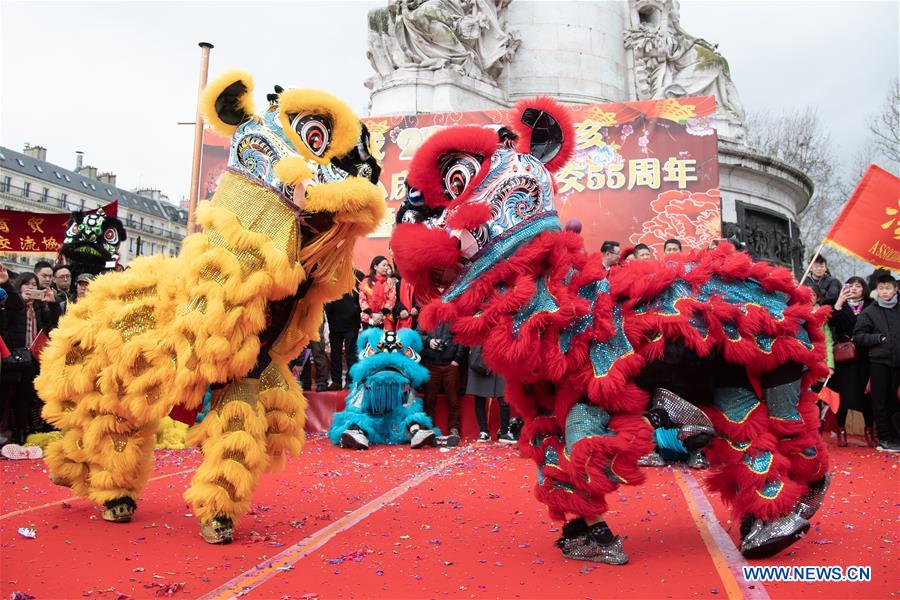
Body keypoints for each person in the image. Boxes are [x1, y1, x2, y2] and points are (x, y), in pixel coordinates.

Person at [0, 271, 59, 452]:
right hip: (12, 358)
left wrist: (53, 304)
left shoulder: (41, 308)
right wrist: (17, 296)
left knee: (25, 398)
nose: (31, 288)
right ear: (19, 286)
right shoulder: (13, 305)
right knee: (6, 397)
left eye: (34, 284)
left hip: (33, 359)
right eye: (26, 284)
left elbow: (55, 323)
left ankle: (21, 434)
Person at [852, 273, 900, 452]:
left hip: (898, 362)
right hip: (878, 361)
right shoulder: (870, 312)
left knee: (894, 402)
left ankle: (896, 436)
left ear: (895, 289)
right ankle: (884, 438)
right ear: (876, 290)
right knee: (879, 401)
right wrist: (878, 338)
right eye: (881, 288)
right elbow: (858, 336)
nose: (885, 292)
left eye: (888, 288)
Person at [827, 277, 872, 447]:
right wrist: (839, 302)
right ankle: (841, 430)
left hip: (864, 355)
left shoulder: (871, 305)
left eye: (858, 286)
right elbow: (830, 322)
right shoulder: (840, 304)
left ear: (864, 289)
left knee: (866, 394)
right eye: (850, 285)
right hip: (844, 356)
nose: (854, 288)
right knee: (842, 394)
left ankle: (868, 430)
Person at [419, 320, 464, 442]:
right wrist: (429, 342)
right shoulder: (427, 317)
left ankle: (454, 429)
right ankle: (429, 428)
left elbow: (461, 338)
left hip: (450, 365)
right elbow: (417, 335)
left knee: (453, 399)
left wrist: (457, 360)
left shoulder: (454, 317)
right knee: (429, 400)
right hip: (431, 364)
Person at [466, 345, 514, 443]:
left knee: (504, 398)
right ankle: (484, 431)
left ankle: (504, 432)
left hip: (499, 359)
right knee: (479, 397)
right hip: (480, 358)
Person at [325, 269, 363, 390]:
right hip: (334, 321)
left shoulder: (358, 275)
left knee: (351, 353)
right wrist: (329, 313)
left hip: (352, 322)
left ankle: (350, 380)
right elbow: (326, 297)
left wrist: (356, 310)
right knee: (335, 354)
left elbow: (362, 296)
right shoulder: (331, 275)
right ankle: (336, 381)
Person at [359, 255, 397, 329]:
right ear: (375, 267)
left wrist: (381, 314)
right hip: (368, 319)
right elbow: (362, 300)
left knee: (385, 340)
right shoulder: (366, 282)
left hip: (385, 318)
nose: (386, 267)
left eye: (387, 265)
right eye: (384, 265)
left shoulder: (390, 282)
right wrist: (372, 314)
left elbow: (392, 300)